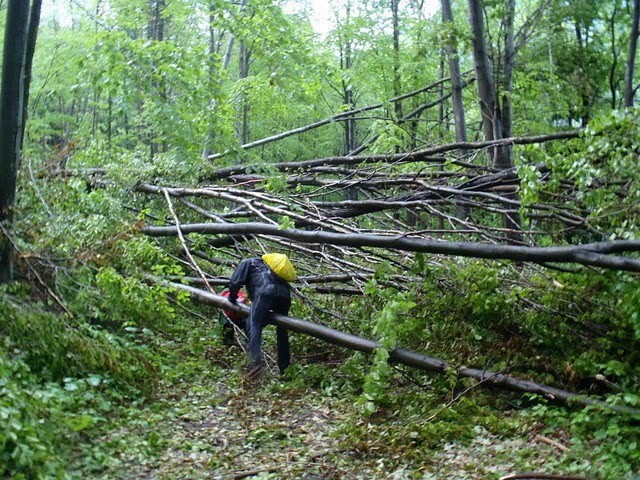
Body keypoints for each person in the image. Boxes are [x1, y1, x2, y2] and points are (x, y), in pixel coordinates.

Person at [227, 256, 292, 378]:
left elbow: (235, 282)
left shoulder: (247, 262)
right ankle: (285, 368)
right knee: (282, 330)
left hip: (265, 292)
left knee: (254, 324)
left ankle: (255, 363)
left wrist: (232, 298)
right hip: (285, 294)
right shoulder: (271, 267)